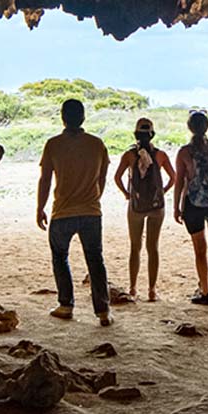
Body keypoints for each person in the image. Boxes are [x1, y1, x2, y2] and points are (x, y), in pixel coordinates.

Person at [36, 98, 112, 326]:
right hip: (91, 211)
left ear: (62, 117)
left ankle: (66, 304)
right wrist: (94, 198)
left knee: (60, 256)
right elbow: (102, 177)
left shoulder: (53, 144)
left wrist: (40, 207)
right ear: (83, 117)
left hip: (62, 211)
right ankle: (103, 311)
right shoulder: (97, 144)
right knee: (95, 259)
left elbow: (46, 179)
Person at [113, 118, 176, 301]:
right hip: (157, 207)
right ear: (152, 134)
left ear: (135, 135)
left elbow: (117, 177)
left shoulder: (129, 155)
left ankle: (133, 288)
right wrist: (162, 192)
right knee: (153, 247)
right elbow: (173, 178)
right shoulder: (161, 155)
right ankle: (152, 290)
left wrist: (127, 194)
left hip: (136, 206)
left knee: (135, 247)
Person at [174, 110, 208, 305]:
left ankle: (205, 292)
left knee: (199, 247)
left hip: (193, 203)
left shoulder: (184, 152)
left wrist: (177, 207)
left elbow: (179, 182)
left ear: (190, 128)